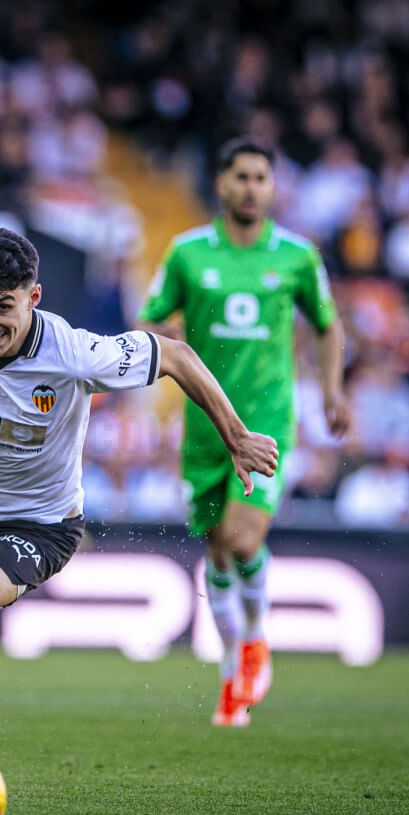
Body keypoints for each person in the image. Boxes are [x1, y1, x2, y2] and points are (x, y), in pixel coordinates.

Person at [0, 228, 278, 792]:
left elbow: (175, 354)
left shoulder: (77, 352)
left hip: (43, 523)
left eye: (3, 307)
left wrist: (236, 436)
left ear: (33, 297)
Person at [137, 138, 349, 728]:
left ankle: (255, 640)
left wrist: (332, 391)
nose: (252, 186)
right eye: (242, 176)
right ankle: (233, 666)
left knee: (242, 537)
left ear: (272, 187)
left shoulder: (298, 256)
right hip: (204, 424)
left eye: (262, 177)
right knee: (218, 547)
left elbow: (328, 327)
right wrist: (167, 329)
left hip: (269, 419)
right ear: (222, 184)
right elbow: (149, 320)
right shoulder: (186, 253)